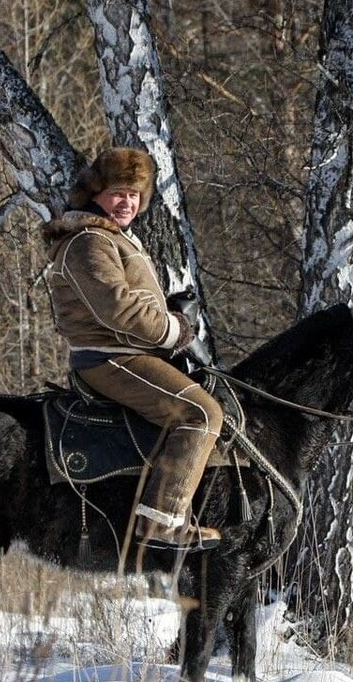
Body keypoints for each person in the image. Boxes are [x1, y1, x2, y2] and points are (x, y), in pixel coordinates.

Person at [44, 147, 223, 552]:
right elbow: (116, 308)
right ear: (96, 194)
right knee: (200, 413)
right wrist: (174, 330)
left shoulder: (114, 238)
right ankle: (162, 521)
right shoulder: (88, 241)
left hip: (128, 352)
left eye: (134, 195)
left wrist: (168, 311)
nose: (126, 202)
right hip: (109, 357)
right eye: (118, 193)